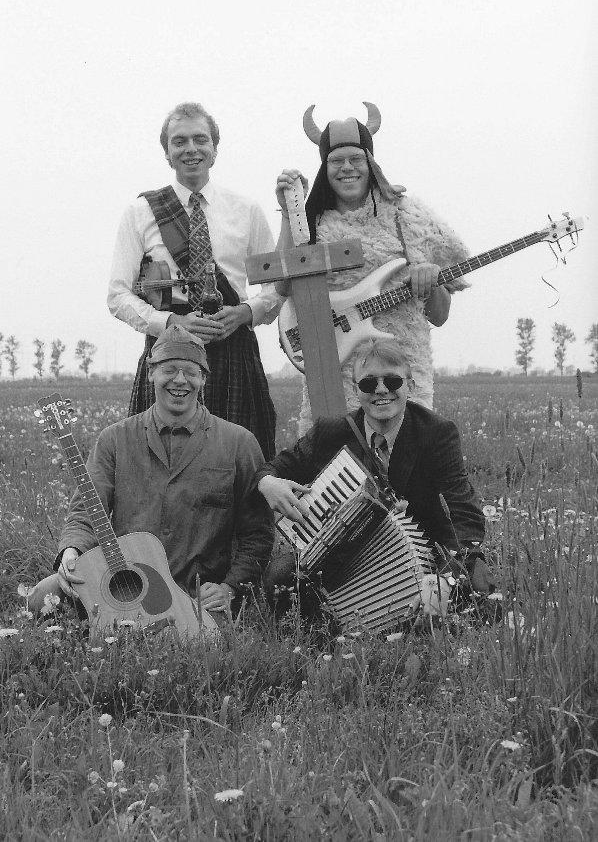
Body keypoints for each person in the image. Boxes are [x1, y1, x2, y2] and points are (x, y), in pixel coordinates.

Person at [256, 339, 493, 619]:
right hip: (345, 555)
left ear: (410, 386)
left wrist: (444, 579)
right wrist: (267, 482)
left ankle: (424, 618)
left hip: (426, 555)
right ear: (356, 390)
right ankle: (324, 633)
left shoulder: (437, 433)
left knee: (478, 588)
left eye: (392, 381)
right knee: (281, 575)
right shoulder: (330, 432)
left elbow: (465, 516)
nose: (381, 390)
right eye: (369, 383)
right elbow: (273, 468)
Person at [47, 325, 274, 616]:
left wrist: (230, 587)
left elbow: (258, 533)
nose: (180, 380)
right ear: (151, 372)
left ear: (203, 379)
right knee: (41, 598)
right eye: (169, 370)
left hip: (196, 596)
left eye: (191, 372)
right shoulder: (114, 439)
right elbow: (86, 511)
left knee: (188, 640)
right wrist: (73, 550)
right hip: (124, 587)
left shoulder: (239, 443)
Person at [276, 102, 470, 428]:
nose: (346, 168)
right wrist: (288, 213)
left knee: (407, 456)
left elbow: (439, 316)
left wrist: (433, 282)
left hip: (402, 380)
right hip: (332, 384)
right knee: (333, 457)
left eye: (356, 159)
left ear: (371, 163)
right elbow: (282, 285)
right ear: (324, 168)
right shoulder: (310, 225)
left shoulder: (408, 217)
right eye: (336, 160)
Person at [108, 101, 281, 459]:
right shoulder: (140, 213)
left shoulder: (247, 210)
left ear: (215, 149)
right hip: (168, 354)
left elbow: (276, 287)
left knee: (241, 464)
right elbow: (118, 296)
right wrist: (171, 322)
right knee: (157, 464)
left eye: (200, 140)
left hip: (232, 350)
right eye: (180, 141)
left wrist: (245, 313)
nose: (191, 149)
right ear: (167, 153)